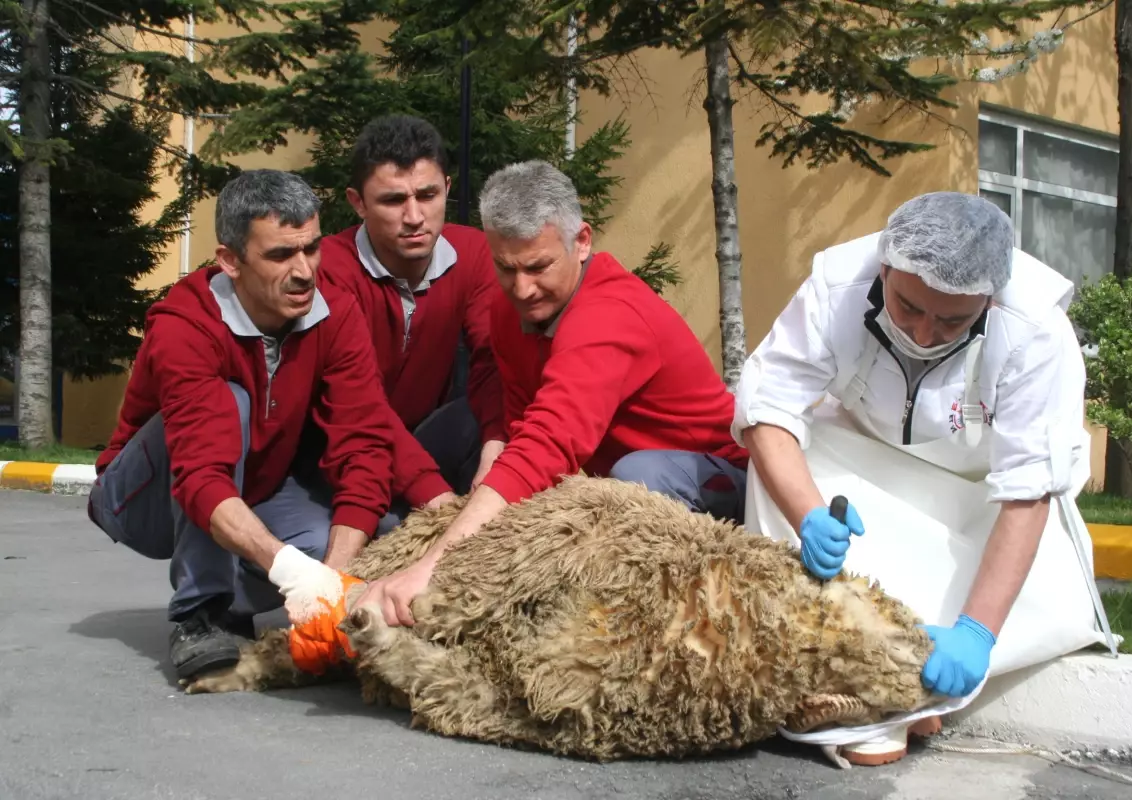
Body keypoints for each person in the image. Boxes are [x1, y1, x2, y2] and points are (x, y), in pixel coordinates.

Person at [731, 191, 1115, 765]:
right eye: (908, 307)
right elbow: (769, 409)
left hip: (981, 505)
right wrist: (809, 514)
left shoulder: (1036, 332)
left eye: (953, 318)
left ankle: (899, 689)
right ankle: (838, 659)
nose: (927, 331)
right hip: (864, 470)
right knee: (780, 462)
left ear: (988, 298)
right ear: (885, 268)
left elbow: (1027, 492)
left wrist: (977, 632)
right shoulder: (836, 286)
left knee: (1047, 597)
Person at [354, 159, 750, 627]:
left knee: (635, 473)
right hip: (617, 484)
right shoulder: (509, 312)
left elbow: (550, 441)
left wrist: (433, 567)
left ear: (581, 242)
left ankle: (656, 610)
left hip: (718, 479)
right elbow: (526, 427)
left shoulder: (609, 315)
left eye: (539, 266)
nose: (522, 288)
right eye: (506, 268)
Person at [87, 169, 396, 681]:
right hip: (147, 495)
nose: (304, 271)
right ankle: (199, 615)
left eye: (312, 249)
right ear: (230, 260)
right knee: (231, 403)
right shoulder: (185, 325)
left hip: (257, 486)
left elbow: (364, 444)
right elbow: (202, 475)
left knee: (350, 540)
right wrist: (290, 571)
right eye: (280, 255)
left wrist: (332, 582)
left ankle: (237, 598)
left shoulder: (335, 312)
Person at [301, 114, 505, 534]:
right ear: (357, 202)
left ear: (447, 188)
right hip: (341, 448)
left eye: (427, 195)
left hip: (424, 437)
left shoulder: (474, 252)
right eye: (393, 200)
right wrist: (438, 499)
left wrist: (495, 460)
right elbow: (359, 406)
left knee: (485, 414)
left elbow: (491, 364)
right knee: (371, 534)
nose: (414, 216)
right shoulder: (330, 268)